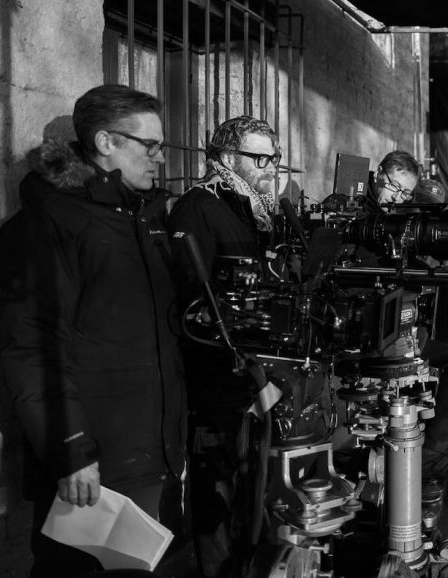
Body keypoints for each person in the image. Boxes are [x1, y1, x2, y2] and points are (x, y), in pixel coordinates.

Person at [0, 84, 185, 578]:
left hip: (153, 452)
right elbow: (32, 345)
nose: (160, 159)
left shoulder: (143, 218)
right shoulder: (52, 220)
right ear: (105, 143)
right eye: (149, 146)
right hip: (93, 468)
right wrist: (71, 449)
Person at [166, 115, 283, 577]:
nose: (270, 167)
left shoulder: (252, 208)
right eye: (260, 158)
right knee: (217, 491)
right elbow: (193, 298)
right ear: (226, 158)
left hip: (247, 371)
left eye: (273, 157)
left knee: (247, 487)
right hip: (214, 378)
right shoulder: (199, 206)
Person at [357, 150, 448, 487]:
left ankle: (439, 456)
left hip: (405, 326)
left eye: (404, 194)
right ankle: (434, 461)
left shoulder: (400, 216)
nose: (396, 199)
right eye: (393, 189)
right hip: (371, 334)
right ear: (378, 175)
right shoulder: (351, 214)